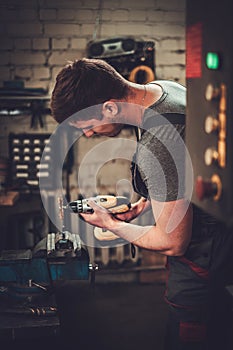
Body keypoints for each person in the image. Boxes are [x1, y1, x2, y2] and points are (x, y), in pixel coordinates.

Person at [51, 58, 233, 349]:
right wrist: (147, 202)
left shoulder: (158, 145)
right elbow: (186, 163)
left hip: (204, 255)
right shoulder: (164, 91)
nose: (87, 134)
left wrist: (109, 223)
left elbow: (173, 241)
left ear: (109, 107)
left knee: (191, 335)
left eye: (87, 125)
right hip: (222, 227)